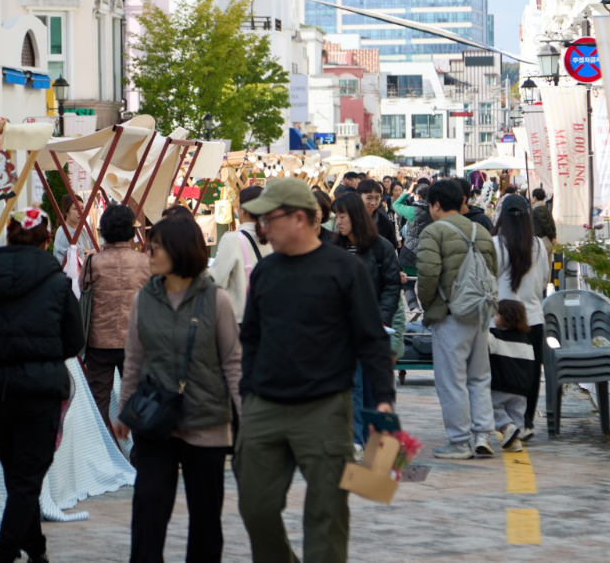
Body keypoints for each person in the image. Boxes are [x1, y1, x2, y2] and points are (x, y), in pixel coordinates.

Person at [235, 178, 394, 563]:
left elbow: (372, 340)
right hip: (265, 406)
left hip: (325, 409)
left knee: (327, 513)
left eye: (269, 220)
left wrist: (384, 403)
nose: (263, 229)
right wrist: (248, 391)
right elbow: (251, 336)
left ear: (300, 218)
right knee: (256, 507)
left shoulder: (344, 268)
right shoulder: (265, 270)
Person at [0, 208, 84, 563]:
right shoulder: (58, 283)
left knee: (18, 477)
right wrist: (44, 356)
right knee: (27, 479)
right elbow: (75, 340)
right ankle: (4, 553)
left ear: (10, 237)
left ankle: (36, 550)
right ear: (46, 242)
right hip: (40, 392)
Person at [117, 216, 241, 562]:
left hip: (207, 424)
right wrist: (125, 409)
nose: (150, 253)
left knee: (206, 520)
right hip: (155, 421)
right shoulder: (144, 299)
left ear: (180, 250)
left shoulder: (216, 300)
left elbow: (233, 365)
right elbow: (133, 361)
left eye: (157, 247)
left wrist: (247, 419)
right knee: (148, 510)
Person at [416, 180, 498, 460]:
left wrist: (429, 306)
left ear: (437, 204)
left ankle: (460, 442)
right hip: (480, 315)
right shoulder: (481, 231)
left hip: (450, 315)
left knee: (451, 381)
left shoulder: (433, 232)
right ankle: (483, 435)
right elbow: (493, 272)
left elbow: (428, 275)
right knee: (480, 378)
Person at [331, 193, 401, 452]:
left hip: (373, 328)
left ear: (356, 217)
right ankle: (356, 439)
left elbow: (391, 286)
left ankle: (375, 441)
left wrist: (382, 319)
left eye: (342, 216)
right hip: (343, 329)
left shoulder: (381, 247)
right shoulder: (333, 248)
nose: (338, 221)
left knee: (374, 387)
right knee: (353, 384)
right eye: (336, 216)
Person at [80, 203, 150, 429]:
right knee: (137, 399)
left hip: (99, 342)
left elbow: (83, 289)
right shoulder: (144, 262)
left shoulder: (93, 262)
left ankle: (103, 446)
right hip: (135, 342)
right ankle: (139, 446)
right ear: (131, 231)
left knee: (98, 399)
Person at [492, 194, 550, 441]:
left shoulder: (495, 244)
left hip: (501, 321)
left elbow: (488, 280)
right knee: (530, 373)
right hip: (533, 319)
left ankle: (506, 422)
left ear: (502, 217)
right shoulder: (538, 246)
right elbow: (544, 281)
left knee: (501, 374)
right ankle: (526, 423)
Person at [210, 186, 274, 323]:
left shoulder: (232, 239)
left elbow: (216, 282)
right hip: (268, 318)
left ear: (243, 210)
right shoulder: (275, 238)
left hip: (239, 321)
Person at [489, 300, 536, 453]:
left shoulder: (495, 336)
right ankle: (516, 438)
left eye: (497, 314)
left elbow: (484, 342)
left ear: (505, 317)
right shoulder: (527, 341)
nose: (494, 317)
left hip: (501, 384)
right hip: (521, 389)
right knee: (517, 413)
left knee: (493, 408)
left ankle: (506, 427)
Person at [394, 183, 432, 309]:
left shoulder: (412, 211)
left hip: (411, 252)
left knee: (408, 283)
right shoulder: (435, 212)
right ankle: (427, 307)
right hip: (429, 252)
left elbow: (396, 204)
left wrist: (406, 192)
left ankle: (413, 306)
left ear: (416, 196)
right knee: (426, 284)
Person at [53, 194, 96, 264]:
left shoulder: (82, 229)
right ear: (66, 212)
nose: (80, 211)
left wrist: (90, 251)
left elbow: (96, 249)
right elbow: (81, 257)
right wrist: (91, 251)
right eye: (76, 209)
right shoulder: (64, 232)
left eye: (82, 208)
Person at [356, 179, 398, 249]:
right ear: (358, 196)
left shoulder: (385, 223)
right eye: (369, 198)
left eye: (377, 198)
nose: (373, 203)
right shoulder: (349, 219)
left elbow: (391, 248)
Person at [531, 188, 556, 270]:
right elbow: (552, 223)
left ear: (535, 197)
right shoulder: (545, 208)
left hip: (542, 240)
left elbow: (545, 224)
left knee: (540, 267)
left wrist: (552, 237)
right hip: (548, 240)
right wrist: (553, 237)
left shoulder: (537, 210)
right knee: (547, 266)